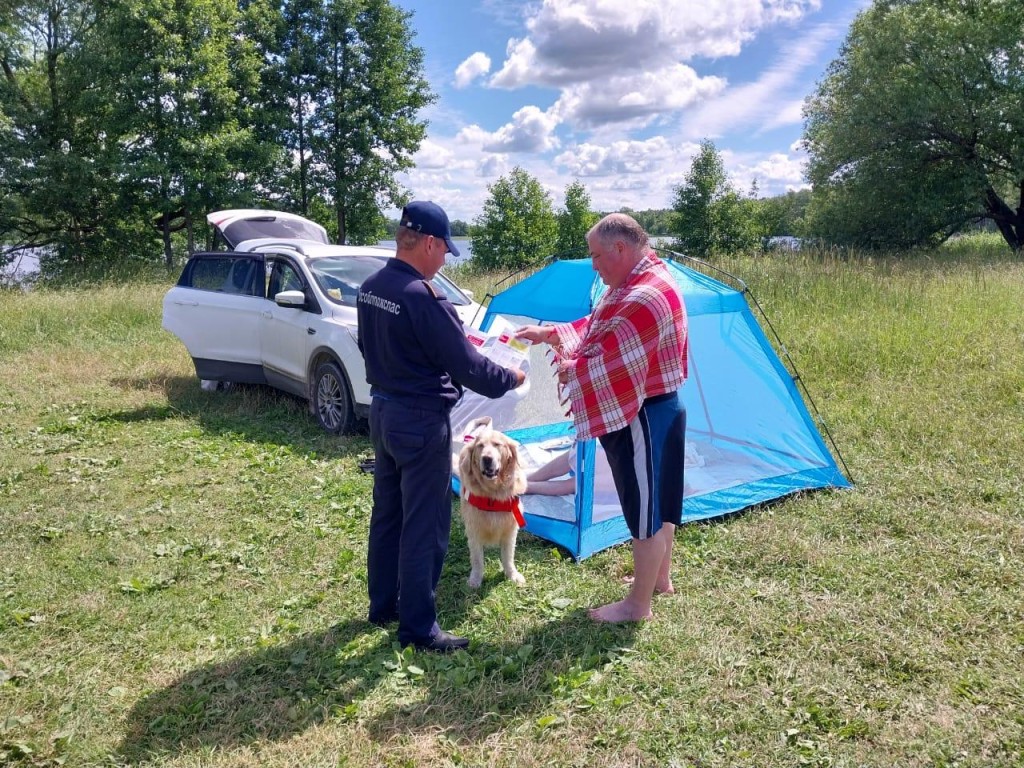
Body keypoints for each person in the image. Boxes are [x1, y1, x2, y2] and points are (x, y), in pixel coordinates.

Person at [357, 200, 526, 652]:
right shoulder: (422, 296)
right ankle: (417, 627)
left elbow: (370, 347)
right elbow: (468, 365)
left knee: (388, 510)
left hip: (383, 411)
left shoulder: (371, 286)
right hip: (419, 420)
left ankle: (383, 605)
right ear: (427, 243)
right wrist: (511, 376)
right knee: (425, 523)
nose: (445, 259)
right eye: (444, 250)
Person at [516, 213, 688, 622]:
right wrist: (551, 334)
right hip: (663, 407)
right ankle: (659, 580)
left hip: (642, 413)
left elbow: (605, 360)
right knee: (662, 503)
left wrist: (567, 364)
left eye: (596, 256)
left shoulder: (642, 297)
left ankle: (637, 606)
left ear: (620, 250)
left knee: (643, 510)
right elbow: (597, 327)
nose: (593, 264)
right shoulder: (645, 278)